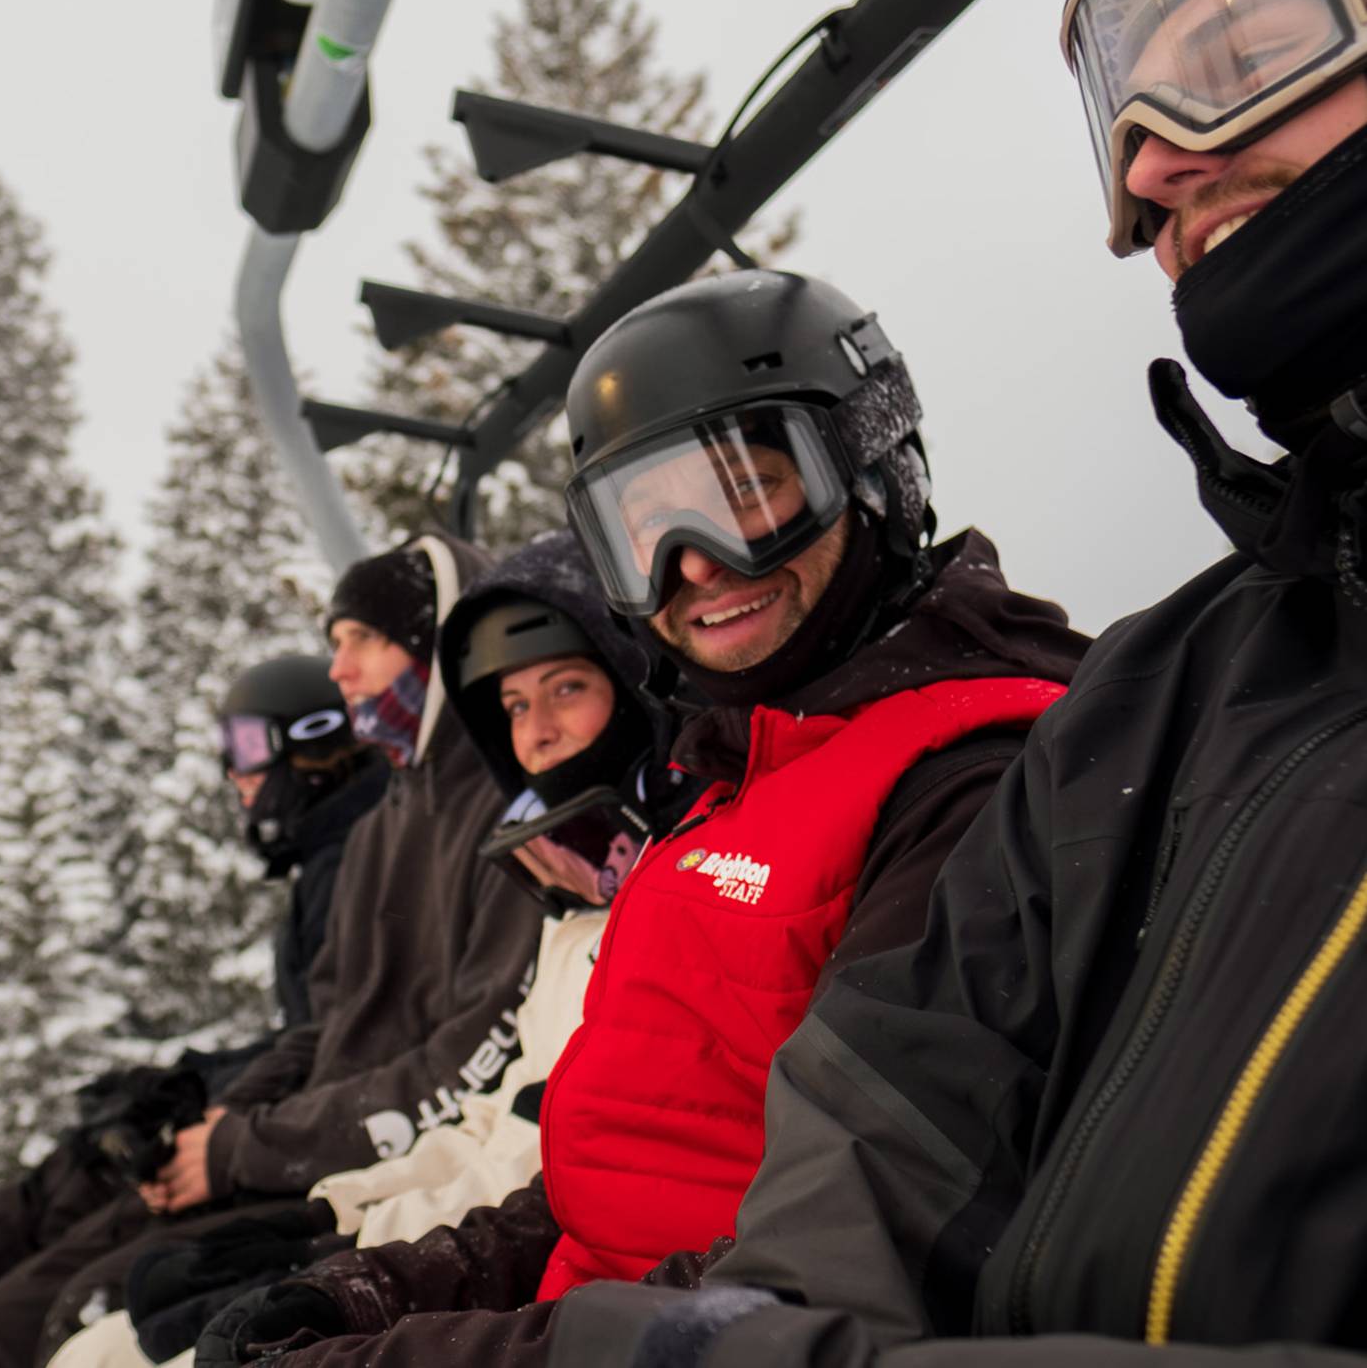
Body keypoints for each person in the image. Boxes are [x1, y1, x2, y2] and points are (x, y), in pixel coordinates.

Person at [542, 0, 1367, 1365]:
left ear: (866, 466)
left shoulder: (977, 757)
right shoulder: (1158, 703)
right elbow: (873, 1157)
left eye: (1242, 50)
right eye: (641, 533)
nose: (1151, 164)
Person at [192, 269, 1086, 1368]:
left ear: (869, 467)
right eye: (643, 528)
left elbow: (833, 1268)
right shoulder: (727, 782)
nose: (693, 564)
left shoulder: (966, 785)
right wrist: (373, 1288)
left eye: (742, 492)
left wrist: (396, 1354)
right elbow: (604, 1173)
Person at [53, 531, 700, 1368]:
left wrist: (332, 1225)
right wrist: (315, 1201)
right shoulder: (531, 871)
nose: (342, 669)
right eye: (513, 706)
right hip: (435, 1205)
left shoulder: (592, 864)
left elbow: (486, 1085)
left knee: (93, 1329)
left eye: (566, 689)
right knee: (95, 1331)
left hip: (536, 1256)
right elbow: (462, 1093)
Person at [0, 534, 545, 1368]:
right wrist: (217, 1124)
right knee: (37, 1302)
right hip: (309, 1150)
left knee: (63, 1320)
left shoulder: (509, 814)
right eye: (334, 643)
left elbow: (468, 1058)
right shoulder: (384, 826)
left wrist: (240, 1145)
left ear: (438, 646)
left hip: (386, 1171)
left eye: (365, 640)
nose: (341, 669)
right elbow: (325, 1027)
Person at [0, 654, 384, 1335]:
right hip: (262, 1119)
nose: (235, 771)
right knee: (48, 1199)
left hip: (284, 1148)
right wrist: (190, 1078)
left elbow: (341, 1041)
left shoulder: (355, 861)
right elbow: (314, 1032)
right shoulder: (330, 862)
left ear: (313, 740)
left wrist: (208, 1098)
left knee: (12, 1310)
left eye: (248, 745)